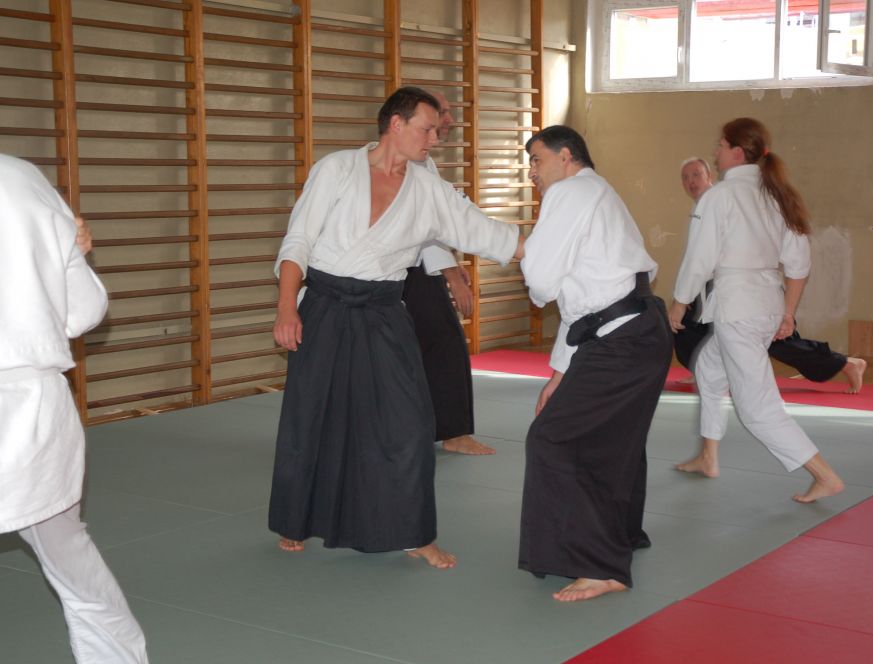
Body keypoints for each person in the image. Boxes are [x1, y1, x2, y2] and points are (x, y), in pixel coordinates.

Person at [268, 87, 524, 568]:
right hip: (324, 305)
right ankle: (295, 518)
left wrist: (550, 248)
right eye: (428, 129)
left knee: (410, 425)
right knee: (312, 416)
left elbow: (480, 230)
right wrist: (287, 307)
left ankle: (414, 533)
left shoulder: (428, 189)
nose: (435, 139)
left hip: (384, 311)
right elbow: (298, 238)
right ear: (396, 124)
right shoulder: (337, 170)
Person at [0, 154, 149, 663]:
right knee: (68, 553)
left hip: (29, 399)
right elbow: (83, 311)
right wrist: (71, 254)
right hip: (35, 408)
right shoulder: (24, 178)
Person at [517, 126, 672, 602]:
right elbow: (579, 304)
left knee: (553, 438)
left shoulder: (569, 193)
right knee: (615, 441)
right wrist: (559, 374)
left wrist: (525, 253)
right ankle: (619, 535)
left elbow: (542, 281)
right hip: (636, 330)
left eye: (537, 161)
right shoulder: (598, 193)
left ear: (566, 157)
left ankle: (601, 565)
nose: (532, 172)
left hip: (622, 339)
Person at [668, 118, 844, 504]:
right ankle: (708, 457)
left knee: (757, 408)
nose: (715, 152)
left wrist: (678, 305)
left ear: (736, 152)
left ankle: (824, 475)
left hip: (739, 311)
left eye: (719, 145)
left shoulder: (720, 197)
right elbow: (798, 264)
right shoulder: (776, 195)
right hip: (764, 304)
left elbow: (700, 259)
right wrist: (787, 313)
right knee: (709, 370)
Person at [673, 157, 867, 393]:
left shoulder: (724, 198)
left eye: (696, 175)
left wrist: (683, 297)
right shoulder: (703, 206)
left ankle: (845, 363)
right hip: (715, 285)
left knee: (780, 342)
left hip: (746, 286)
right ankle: (704, 372)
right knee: (687, 328)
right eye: (685, 177)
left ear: (709, 176)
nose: (691, 181)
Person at [403, 91, 494, 456]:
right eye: (444, 112)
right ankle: (453, 433)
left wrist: (452, 268)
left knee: (431, 345)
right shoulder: (408, 161)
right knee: (444, 343)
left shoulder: (422, 161)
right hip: (402, 270)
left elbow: (436, 223)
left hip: (415, 266)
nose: (450, 120)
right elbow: (427, 226)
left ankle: (436, 428)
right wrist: (453, 277)